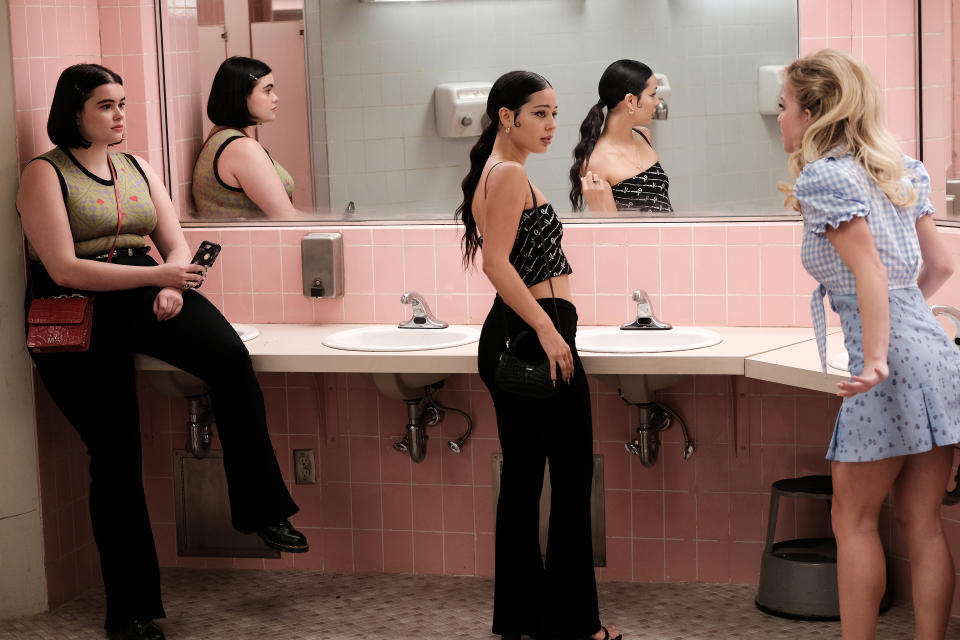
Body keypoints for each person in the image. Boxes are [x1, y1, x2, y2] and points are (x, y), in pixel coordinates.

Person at [17, 63, 308, 640]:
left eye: (123, 103)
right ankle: (130, 612)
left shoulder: (137, 165)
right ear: (73, 112)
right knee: (116, 456)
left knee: (229, 356)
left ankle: (261, 509)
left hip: (144, 288)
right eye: (106, 105)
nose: (120, 114)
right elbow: (62, 266)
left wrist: (172, 283)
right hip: (77, 307)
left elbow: (172, 240)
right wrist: (158, 277)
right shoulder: (43, 175)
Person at [778, 49, 960, 640]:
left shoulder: (824, 176)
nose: (779, 119)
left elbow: (871, 274)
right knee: (922, 522)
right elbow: (940, 265)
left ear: (810, 113)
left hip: (891, 364)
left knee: (852, 521)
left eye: (783, 107)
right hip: (935, 350)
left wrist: (879, 354)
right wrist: (908, 329)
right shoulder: (899, 167)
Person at [456, 70, 622, 640]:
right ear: (507, 116)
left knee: (525, 479)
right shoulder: (507, 176)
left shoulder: (499, 171)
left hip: (516, 333)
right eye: (540, 114)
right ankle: (576, 626)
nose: (552, 125)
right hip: (535, 334)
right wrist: (551, 334)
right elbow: (497, 264)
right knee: (571, 478)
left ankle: (523, 620)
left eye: (555, 113)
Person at [192, 56, 298, 220]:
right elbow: (286, 218)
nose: (275, 98)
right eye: (267, 91)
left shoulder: (221, 136)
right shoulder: (242, 148)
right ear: (241, 95)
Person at [569, 59, 672, 214]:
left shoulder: (644, 136)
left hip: (672, 236)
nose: (657, 102)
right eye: (652, 95)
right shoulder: (595, 163)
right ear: (630, 101)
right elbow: (612, 233)